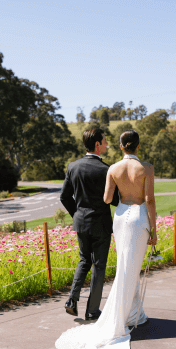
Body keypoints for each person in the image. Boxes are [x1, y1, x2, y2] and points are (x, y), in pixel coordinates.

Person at [56, 129, 158, 349]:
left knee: (108, 263)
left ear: (122, 147)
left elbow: (102, 198)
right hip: (128, 218)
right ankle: (108, 313)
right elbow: (148, 200)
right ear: (138, 146)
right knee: (118, 267)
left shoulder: (104, 168)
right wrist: (152, 227)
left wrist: (80, 213)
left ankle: (128, 312)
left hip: (104, 219)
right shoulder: (142, 168)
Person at [60, 128, 120, 321]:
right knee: (99, 265)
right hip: (101, 224)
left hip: (81, 222)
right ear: (97, 144)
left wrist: (76, 214)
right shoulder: (107, 170)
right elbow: (114, 200)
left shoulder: (72, 166)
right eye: (104, 141)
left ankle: (71, 300)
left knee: (84, 260)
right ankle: (92, 310)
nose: (107, 143)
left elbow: (64, 197)